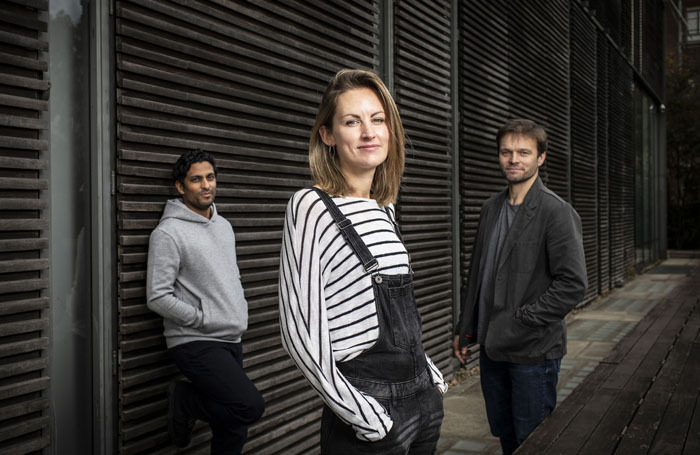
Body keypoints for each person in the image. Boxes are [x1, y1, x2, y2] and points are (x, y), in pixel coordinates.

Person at [279, 69, 447, 455]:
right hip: (371, 413)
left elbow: (402, 316)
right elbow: (300, 332)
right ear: (327, 135)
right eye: (352, 122)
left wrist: (432, 379)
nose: (369, 132)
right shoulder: (310, 206)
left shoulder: (383, 208)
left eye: (378, 119)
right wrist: (363, 416)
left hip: (422, 400)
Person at [452, 119, 587, 455]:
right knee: (506, 433)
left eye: (523, 152)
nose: (513, 159)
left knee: (534, 439)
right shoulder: (490, 209)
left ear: (540, 158)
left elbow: (572, 285)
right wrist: (466, 330)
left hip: (532, 351)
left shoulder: (556, 212)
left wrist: (522, 319)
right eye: (506, 152)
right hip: (492, 347)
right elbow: (478, 276)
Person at [147, 150, 264, 455]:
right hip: (195, 340)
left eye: (209, 177)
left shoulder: (223, 226)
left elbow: (231, 278)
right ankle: (184, 400)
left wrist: (238, 312)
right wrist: (202, 318)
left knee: (232, 430)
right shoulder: (168, 233)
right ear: (180, 187)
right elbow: (158, 296)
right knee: (248, 406)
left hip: (230, 335)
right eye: (196, 179)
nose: (205, 185)